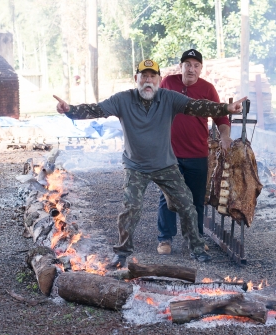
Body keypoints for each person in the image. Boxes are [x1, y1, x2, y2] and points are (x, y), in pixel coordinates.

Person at [54, 59, 246, 268]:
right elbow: (96, 109)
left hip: (166, 165)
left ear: (159, 80)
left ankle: (197, 249)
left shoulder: (169, 97)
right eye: (143, 76)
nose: (148, 80)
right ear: (136, 78)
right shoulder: (123, 99)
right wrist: (69, 109)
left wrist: (226, 107)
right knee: (131, 208)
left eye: (152, 76)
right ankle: (122, 253)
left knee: (187, 205)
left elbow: (197, 106)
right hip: (136, 166)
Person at [156, 49, 232, 255]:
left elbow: (221, 118)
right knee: (167, 197)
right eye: (187, 64)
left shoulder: (207, 89)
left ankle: (195, 238)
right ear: (180, 66)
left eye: (196, 65)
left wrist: (225, 136)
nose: (191, 69)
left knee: (196, 198)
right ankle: (165, 239)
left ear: (200, 68)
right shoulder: (168, 83)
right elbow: (155, 108)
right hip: (169, 154)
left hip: (197, 153)